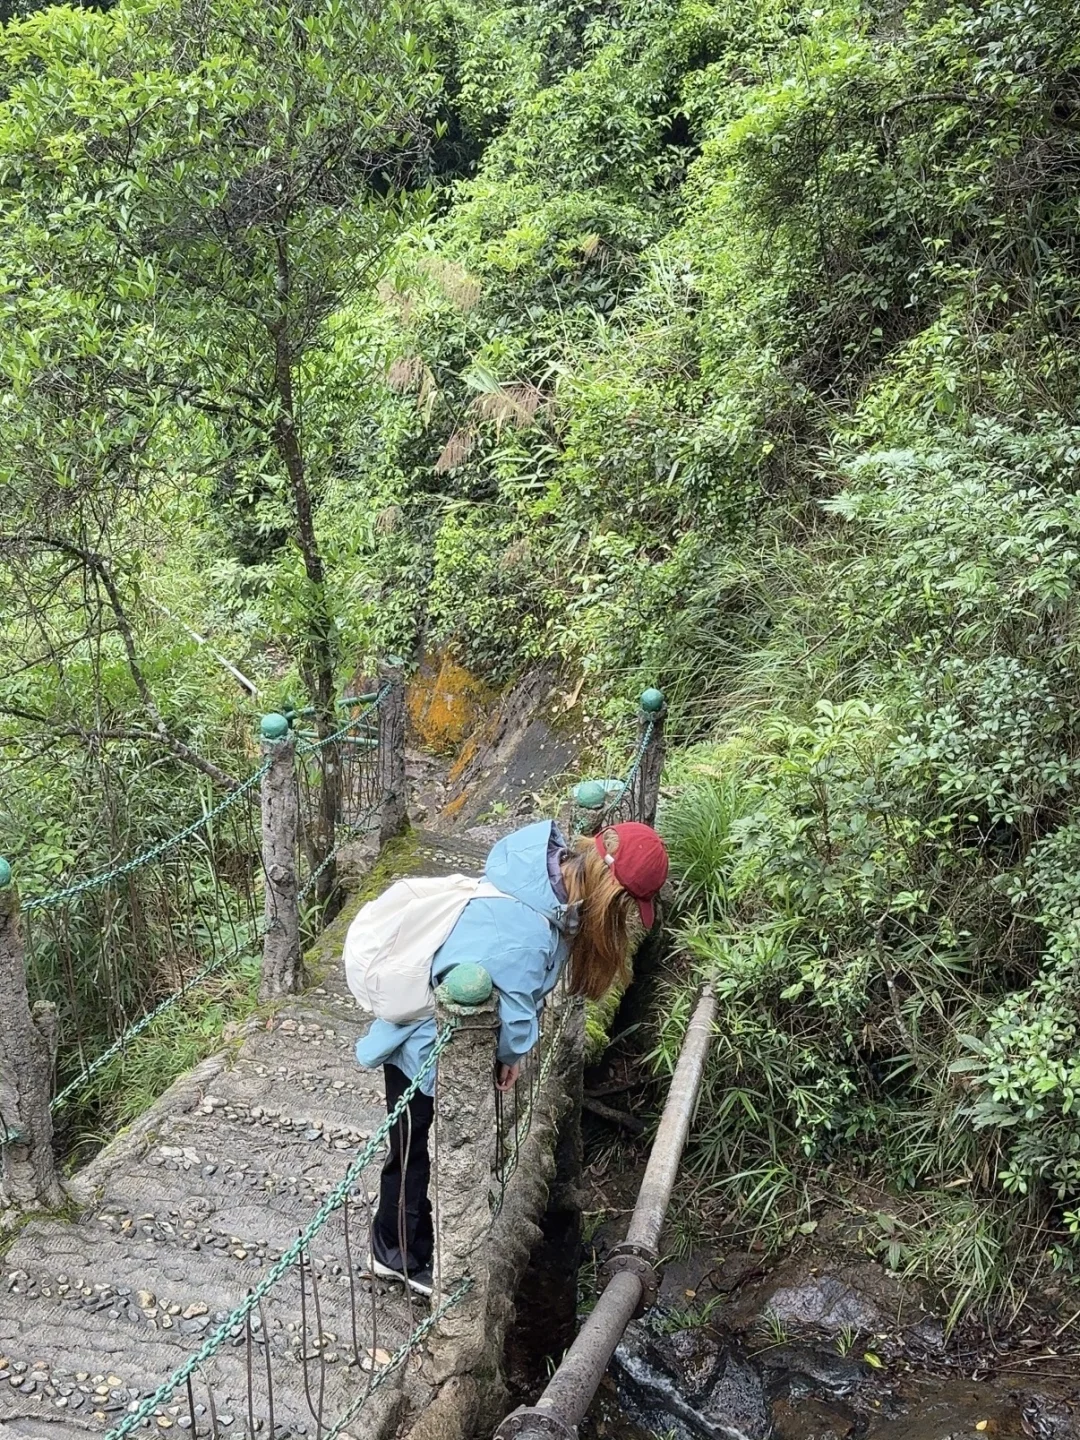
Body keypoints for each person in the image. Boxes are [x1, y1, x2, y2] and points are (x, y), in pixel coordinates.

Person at [354, 817, 669, 1295]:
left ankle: (402, 1243)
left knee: (410, 1145)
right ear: (611, 891)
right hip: (421, 1047)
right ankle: (397, 1253)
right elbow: (517, 1002)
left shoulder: (543, 871)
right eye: (625, 906)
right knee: (418, 1149)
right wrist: (512, 1055)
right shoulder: (526, 932)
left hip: (425, 1032)